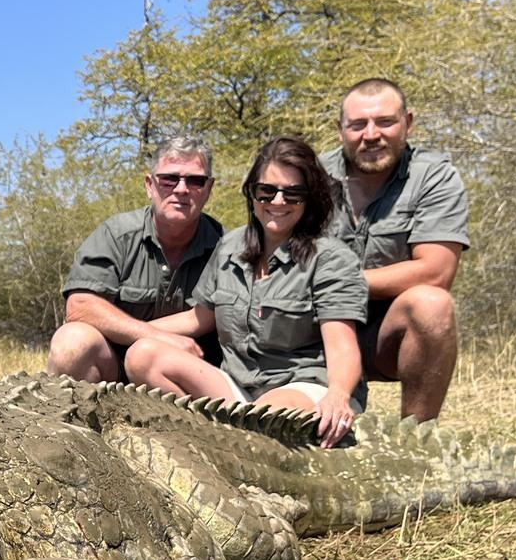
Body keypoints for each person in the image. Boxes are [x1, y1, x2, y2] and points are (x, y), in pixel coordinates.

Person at [127, 136, 367, 447]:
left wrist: (339, 394)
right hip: (238, 388)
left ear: (310, 198)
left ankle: (220, 441)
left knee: (265, 416)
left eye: (293, 193)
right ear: (252, 193)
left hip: (303, 387)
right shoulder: (230, 246)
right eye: (267, 191)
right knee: (142, 356)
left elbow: (342, 346)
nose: (277, 202)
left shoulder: (331, 258)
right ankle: (208, 440)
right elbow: (199, 318)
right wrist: (125, 331)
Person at [321, 78, 468, 421]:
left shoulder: (435, 177)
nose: (371, 135)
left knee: (432, 305)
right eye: (358, 125)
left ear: (408, 123)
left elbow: (435, 272)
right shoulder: (309, 175)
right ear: (340, 129)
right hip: (316, 329)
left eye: (385, 122)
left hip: (384, 334)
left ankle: (416, 437)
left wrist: (333, 283)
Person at [47, 134, 223, 383]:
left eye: (195, 180)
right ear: (149, 185)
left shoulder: (228, 247)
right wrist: (155, 337)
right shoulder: (116, 235)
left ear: (209, 189)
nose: (181, 189)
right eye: (169, 179)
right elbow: (80, 307)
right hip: (117, 373)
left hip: (195, 377)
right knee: (72, 342)